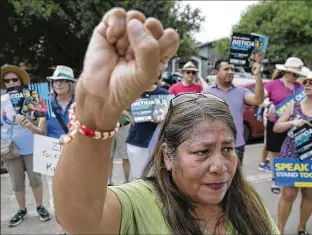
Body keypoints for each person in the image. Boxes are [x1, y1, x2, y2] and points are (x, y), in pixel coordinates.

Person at [52, 8, 279, 235]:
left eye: (228, 148)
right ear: (168, 156)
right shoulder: (139, 204)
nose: (220, 167)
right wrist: (95, 114)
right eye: (202, 151)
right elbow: (78, 218)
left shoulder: (247, 200)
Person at [18, 65, 76, 235]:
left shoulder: (81, 103)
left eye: (62, 80)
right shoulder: (45, 102)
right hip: (52, 155)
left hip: (76, 156)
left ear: (70, 83)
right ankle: (61, 230)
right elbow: (41, 132)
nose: (58, 84)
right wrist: (29, 126)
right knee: (56, 196)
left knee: (76, 194)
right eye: (55, 81)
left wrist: (71, 137)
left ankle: (76, 228)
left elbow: (85, 129)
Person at [273, 70, 312, 235]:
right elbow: (276, 127)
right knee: (288, 195)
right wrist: (292, 122)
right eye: (305, 82)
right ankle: (279, 230)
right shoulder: (294, 105)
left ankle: (302, 228)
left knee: (309, 195)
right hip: (291, 156)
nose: (306, 85)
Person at [0, 64, 51, 227]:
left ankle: (39, 206)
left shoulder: (35, 96)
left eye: (14, 79)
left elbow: (43, 123)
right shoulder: (1, 101)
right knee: (16, 181)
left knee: (35, 179)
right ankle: (22, 210)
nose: (11, 82)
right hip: (9, 147)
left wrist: (32, 125)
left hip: (32, 143)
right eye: (7, 80)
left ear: (21, 80)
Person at [203, 59, 265, 163]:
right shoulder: (206, 93)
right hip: (214, 145)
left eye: (232, 69)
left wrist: (257, 75)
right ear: (216, 72)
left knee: (236, 178)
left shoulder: (241, 91)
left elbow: (258, 100)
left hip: (236, 145)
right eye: (226, 69)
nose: (230, 72)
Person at [263, 57, 309, 194]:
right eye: (295, 74)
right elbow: (260, 98)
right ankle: (276, 179)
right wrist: (268, 104)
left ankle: (290, 178)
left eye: (298, 74)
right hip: (275, 123)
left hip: (294, 125)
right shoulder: (272, 84)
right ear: (286, 72)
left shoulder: (300, 88)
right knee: (275, 153)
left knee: (292, 153)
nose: (296, 77)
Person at [126, 82, 169, 180]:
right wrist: (129, 115)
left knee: (154, 176)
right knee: (137, 177)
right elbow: (120, 108)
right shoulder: (133, 92)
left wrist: (162, 119)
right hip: (136, 141)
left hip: (156, 142)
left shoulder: (163, 93)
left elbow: (169, 115)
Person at [107, 110, 131, 185]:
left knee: (125, 157)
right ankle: (109, 183)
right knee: (108, 157)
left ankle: (127, 181)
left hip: (124, 125)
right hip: (108, 127)